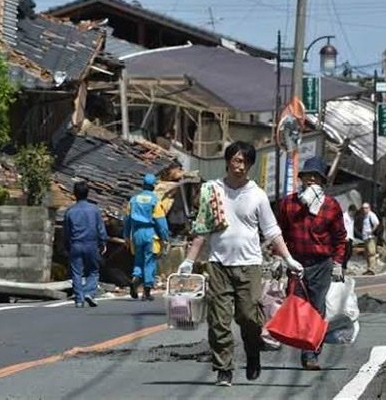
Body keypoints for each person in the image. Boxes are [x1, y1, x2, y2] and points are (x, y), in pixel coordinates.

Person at [177, 141, 304, 388]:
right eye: (236, 160)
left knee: (249, 317)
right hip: (218, 264)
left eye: (246, 162)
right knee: (218, 321)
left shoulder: (257, 195)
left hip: (249, 265)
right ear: (227, 161)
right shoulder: (212, 190)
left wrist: (288, 258)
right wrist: (189, 261)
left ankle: (253, 351)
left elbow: (272, 230)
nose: (240, 166)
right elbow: (202, 228)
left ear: (251, 166)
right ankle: (224, 368)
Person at [278, 156, 347, 371]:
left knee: (317, 309)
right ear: (301, 178)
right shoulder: (288, 203)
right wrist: (278, 259)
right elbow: (278, 233)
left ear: (321, 181)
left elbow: (340, 237)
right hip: (295, 262)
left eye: (315, 177)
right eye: (307, 176)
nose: (311, 180)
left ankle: (310, 353)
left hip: (321, 264)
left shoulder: (331, 206)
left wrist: (337, 263)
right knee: (297, 306)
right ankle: (301, 343)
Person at [124, 173, 170, 301]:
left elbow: (127, 220)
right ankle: (147, 291)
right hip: (150, 233)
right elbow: (161, 222)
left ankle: (136, 278)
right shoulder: (155, 201)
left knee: (138, 259)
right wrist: (165, 237)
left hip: (136, 233)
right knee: (149, 261)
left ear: (143, 185)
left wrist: (126, 236)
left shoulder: (133, 200)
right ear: (153, 186)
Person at [63, 181, 108, 308]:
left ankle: (79, 299)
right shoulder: (94, 210)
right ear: (88, 193)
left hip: (76, 244)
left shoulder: (70, 211)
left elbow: (66, 231)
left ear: (74, 194)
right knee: (93, 271)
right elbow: (100, 228)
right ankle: (89, 292)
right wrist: (103, 241)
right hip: (91, 244)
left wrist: (66, 245)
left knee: (77, 272)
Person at [360, 202, 380, 276]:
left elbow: (376, 223)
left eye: (366, 208)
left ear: (369, 208)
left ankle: (372, 269)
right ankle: (369, 268)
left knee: (371, 253)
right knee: (367, 253)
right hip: (365, 237)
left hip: (370, 237)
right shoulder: (365, 216)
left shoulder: (371, 215)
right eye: (363, 208)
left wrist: (372, 231)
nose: (365, 209)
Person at [342, 204, 357, 271]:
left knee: (350, 253)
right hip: (346, 237)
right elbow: (342, 227)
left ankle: (344, 266)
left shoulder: (351, 217)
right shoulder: (344, 216)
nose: (353, 213)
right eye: (353, 212)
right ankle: (343, 266)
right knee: (346, 253)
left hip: (350, 237)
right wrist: (344, 236)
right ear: (350, 210)